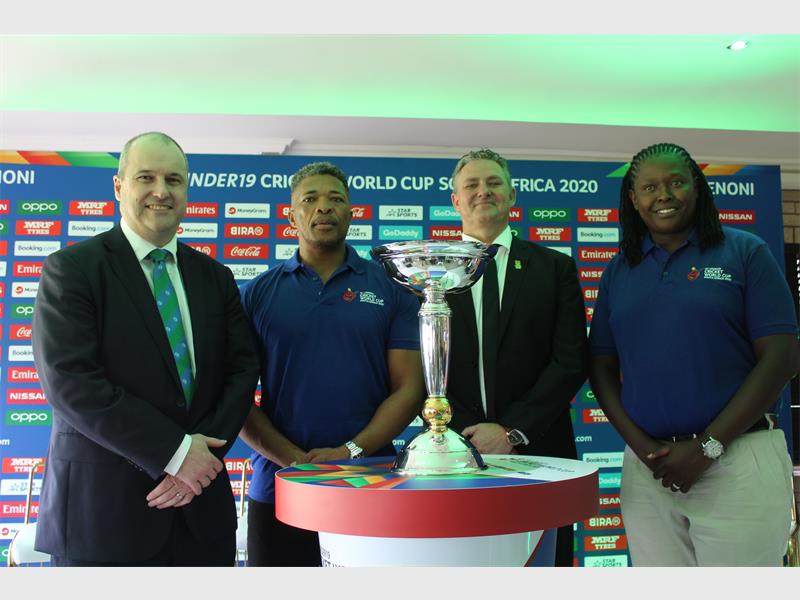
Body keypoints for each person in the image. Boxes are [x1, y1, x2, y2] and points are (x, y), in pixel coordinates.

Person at [31, 132, 260, 566]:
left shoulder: (215, 277)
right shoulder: (73, 270)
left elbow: (241, 372)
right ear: (119, 187)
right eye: (146, 177)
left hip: (200, 515)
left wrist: (199, 462)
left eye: (174, 179)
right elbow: (71, 382)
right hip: (102, 519)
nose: (161, 191)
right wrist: (176, 455)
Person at [588, 142, 799, 566]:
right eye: (649, 187)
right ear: (633, 199)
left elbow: (781, 358)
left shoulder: (745, 251)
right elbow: (601, 367)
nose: (663, 195)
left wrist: (708, 448)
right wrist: (644, 450)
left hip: (739, 459)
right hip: (650, 470)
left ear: (697, 188)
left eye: (676, 182)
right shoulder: (619, 270)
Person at [238, 161, 425, 567]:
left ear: (351, 213)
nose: (323, 207)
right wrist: (293, 461)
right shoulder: (257, 294)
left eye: (335, 199)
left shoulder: (391, 289)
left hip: (371, 479)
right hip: (278, 485)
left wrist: (351, 451)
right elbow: (234, 396)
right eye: (310, 199)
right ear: (291, 216)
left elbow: (410, 388)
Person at [446, 149, 589, 567]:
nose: (483, 192)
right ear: (456, 201)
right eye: (471, 185)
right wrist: (466, 434)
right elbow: (419, 368)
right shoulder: (430, 272)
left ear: (512, 195)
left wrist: (511, 431)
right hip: (454, 454)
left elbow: (570, 360)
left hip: (541, 453)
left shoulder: (555, 268)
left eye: (493, 183)